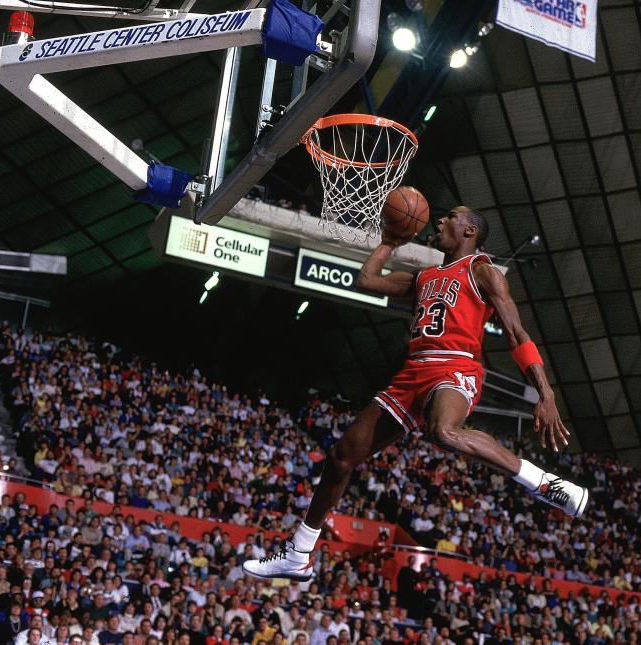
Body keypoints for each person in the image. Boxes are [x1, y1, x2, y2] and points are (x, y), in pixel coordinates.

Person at [241, 206, 588, 580]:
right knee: (341, 457)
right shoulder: (424, 276)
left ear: (470, 229)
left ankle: (543, 483)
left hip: (455, 366)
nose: (438, 221)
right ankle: (299, 554)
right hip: (412, 372)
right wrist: (388, 243)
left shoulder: (483, 272)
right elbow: (367, 280)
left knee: (443, 431)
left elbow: (518, 333)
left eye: (449, 217)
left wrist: (546, 394)